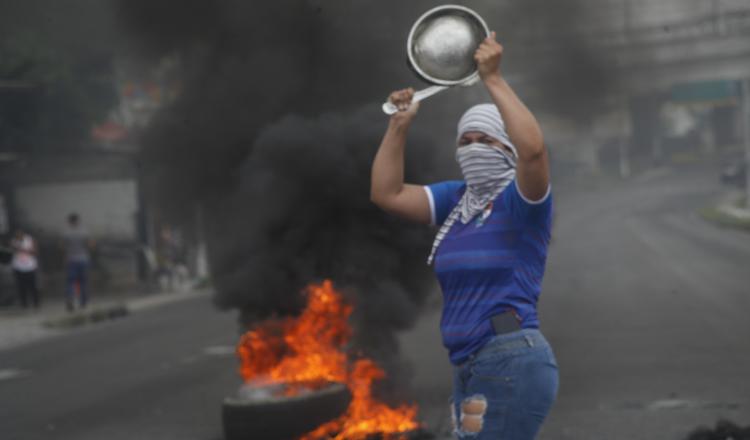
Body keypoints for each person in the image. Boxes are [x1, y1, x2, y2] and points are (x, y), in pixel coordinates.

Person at [371, 32, 558, 439]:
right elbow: (387, 193)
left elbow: (533, 153)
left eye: (487, 140)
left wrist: (493, 79)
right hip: (467, 368)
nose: (474, 148)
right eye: (466, 141)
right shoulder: (457, 200)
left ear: (506, 148)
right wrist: (398, 127)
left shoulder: (522, 202)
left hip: (511, 363)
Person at [62, 213, 93, 311]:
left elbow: (62, 246)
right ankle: (83, 302)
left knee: (71, 282)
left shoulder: (66, 233)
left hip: (71, 259)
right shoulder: (84, 232)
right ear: (78, 220)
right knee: (83, 281)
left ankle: (71, 299)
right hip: (83, 259)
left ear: (69, 221)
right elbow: (91, 244)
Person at [10, 229, 40, 309]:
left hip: (30, 266)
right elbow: (12, 250)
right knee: (21, 286)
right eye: (17, 235)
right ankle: (24, 303)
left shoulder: (29, 240)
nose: (18, 236)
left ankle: (36, 302)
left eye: (20, 234)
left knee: (32, 286)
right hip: (18, 267)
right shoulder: (14, 241)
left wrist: (24, 249)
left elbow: (35, 251)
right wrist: (16, 248)